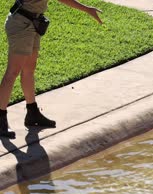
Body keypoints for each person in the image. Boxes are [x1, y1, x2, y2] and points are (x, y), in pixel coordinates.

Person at [0, 0, 102, 138]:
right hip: (22, 24)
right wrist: (87, 9)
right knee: (12, 72)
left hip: (32, 22)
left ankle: (32, 113)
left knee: (29, 69)